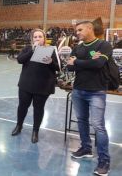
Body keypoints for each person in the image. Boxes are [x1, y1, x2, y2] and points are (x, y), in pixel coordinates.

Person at [67, 21, 111, 176]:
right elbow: (69, 67)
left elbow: (99, 64)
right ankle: (86, 148)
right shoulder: (77, 47)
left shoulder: (103, 45)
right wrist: (86, 63)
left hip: (96, 91)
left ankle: (104, 161)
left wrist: (78, 62)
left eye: (80, 29)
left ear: (90, 28)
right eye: (76, 30)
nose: (77, 32)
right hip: (78, 90)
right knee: (82, 121)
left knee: (98, 125)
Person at [11, 29, 59, 143]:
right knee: (22, 106)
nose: (37, 39)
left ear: (44, 38)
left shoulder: (51, 50)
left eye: (40, 37)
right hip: (26, 84)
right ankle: (19, 125)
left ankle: (35, 131)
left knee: (38, 109)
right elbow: (20, 60)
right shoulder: (28, 49)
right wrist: (33, 50)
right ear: (32, 39)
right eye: (35, 37)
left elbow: (58, 67)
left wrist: (51, 62)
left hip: (43, 86)